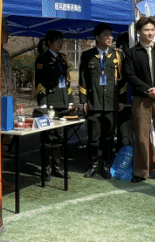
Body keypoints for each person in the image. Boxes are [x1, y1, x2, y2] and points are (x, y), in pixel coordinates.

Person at [123, 16, 155, 184]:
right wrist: (147, 89)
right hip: (141, 99)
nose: (150, 33)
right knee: (141, 137)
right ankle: (141, 172)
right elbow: (130, 75)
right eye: (146, 30)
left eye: (152, 30)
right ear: (139, 32)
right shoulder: (132, 53)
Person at [79, 23, 125, 178]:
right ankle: (93, 165)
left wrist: (121, 99)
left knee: (109, 138)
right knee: (93, 138)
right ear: (97, 37)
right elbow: (83, 79)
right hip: (94, 102)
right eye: (105, 35)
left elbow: (122, 79)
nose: (109, 38)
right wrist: (84, 100)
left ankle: (105, 166)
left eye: (110, 35)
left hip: (112, 103)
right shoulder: (87, 55)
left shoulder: (117, 55)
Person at [35, 29, 73, 179]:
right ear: (49, 42)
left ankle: (57, 167)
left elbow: (67, 80)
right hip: (50, 103)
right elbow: (40, 82)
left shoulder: (62, 58)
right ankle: (46, 168)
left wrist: (69, 99)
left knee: (59, 137)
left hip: (62, 103)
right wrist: (42, 103)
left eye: (61, 40)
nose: (60, 43)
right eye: (57, 41)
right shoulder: (42, 59)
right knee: (48, 137)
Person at [0, 17, 16, 98]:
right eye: (4, 30)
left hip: (8, 97)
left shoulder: (5, 53)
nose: (7, 34)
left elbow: (11, 78)